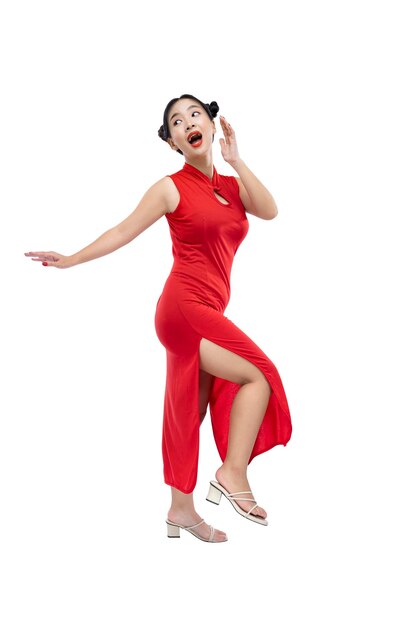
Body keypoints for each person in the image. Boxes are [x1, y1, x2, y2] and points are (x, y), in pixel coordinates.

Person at [25, 94, 292, 543]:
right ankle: (231, 473)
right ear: (172, 142)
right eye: (175, 122)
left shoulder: (230, 186)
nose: (187, 122)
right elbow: (122, 231)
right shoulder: (170, 187)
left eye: (194, 114)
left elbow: (269, 209)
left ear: (210, 122)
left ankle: (181, 511)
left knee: (188, 408)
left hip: (209, 308)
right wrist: (70, 259)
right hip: (184, 308)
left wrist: (237, 160)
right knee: (259, 376)